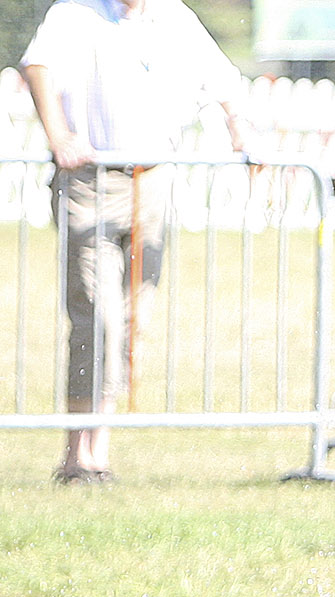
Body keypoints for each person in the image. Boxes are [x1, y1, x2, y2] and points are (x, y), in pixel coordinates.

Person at [19, 0, 249, 484]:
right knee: (97, 318)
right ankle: (77, 456)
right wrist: (59, 135)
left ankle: (97, 454)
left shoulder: (174, 17)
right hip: (91, 181)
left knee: (130, 320)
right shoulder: (73, 14)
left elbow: (224, 81)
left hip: (153, 180)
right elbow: (37, 66)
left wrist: (241, 130)